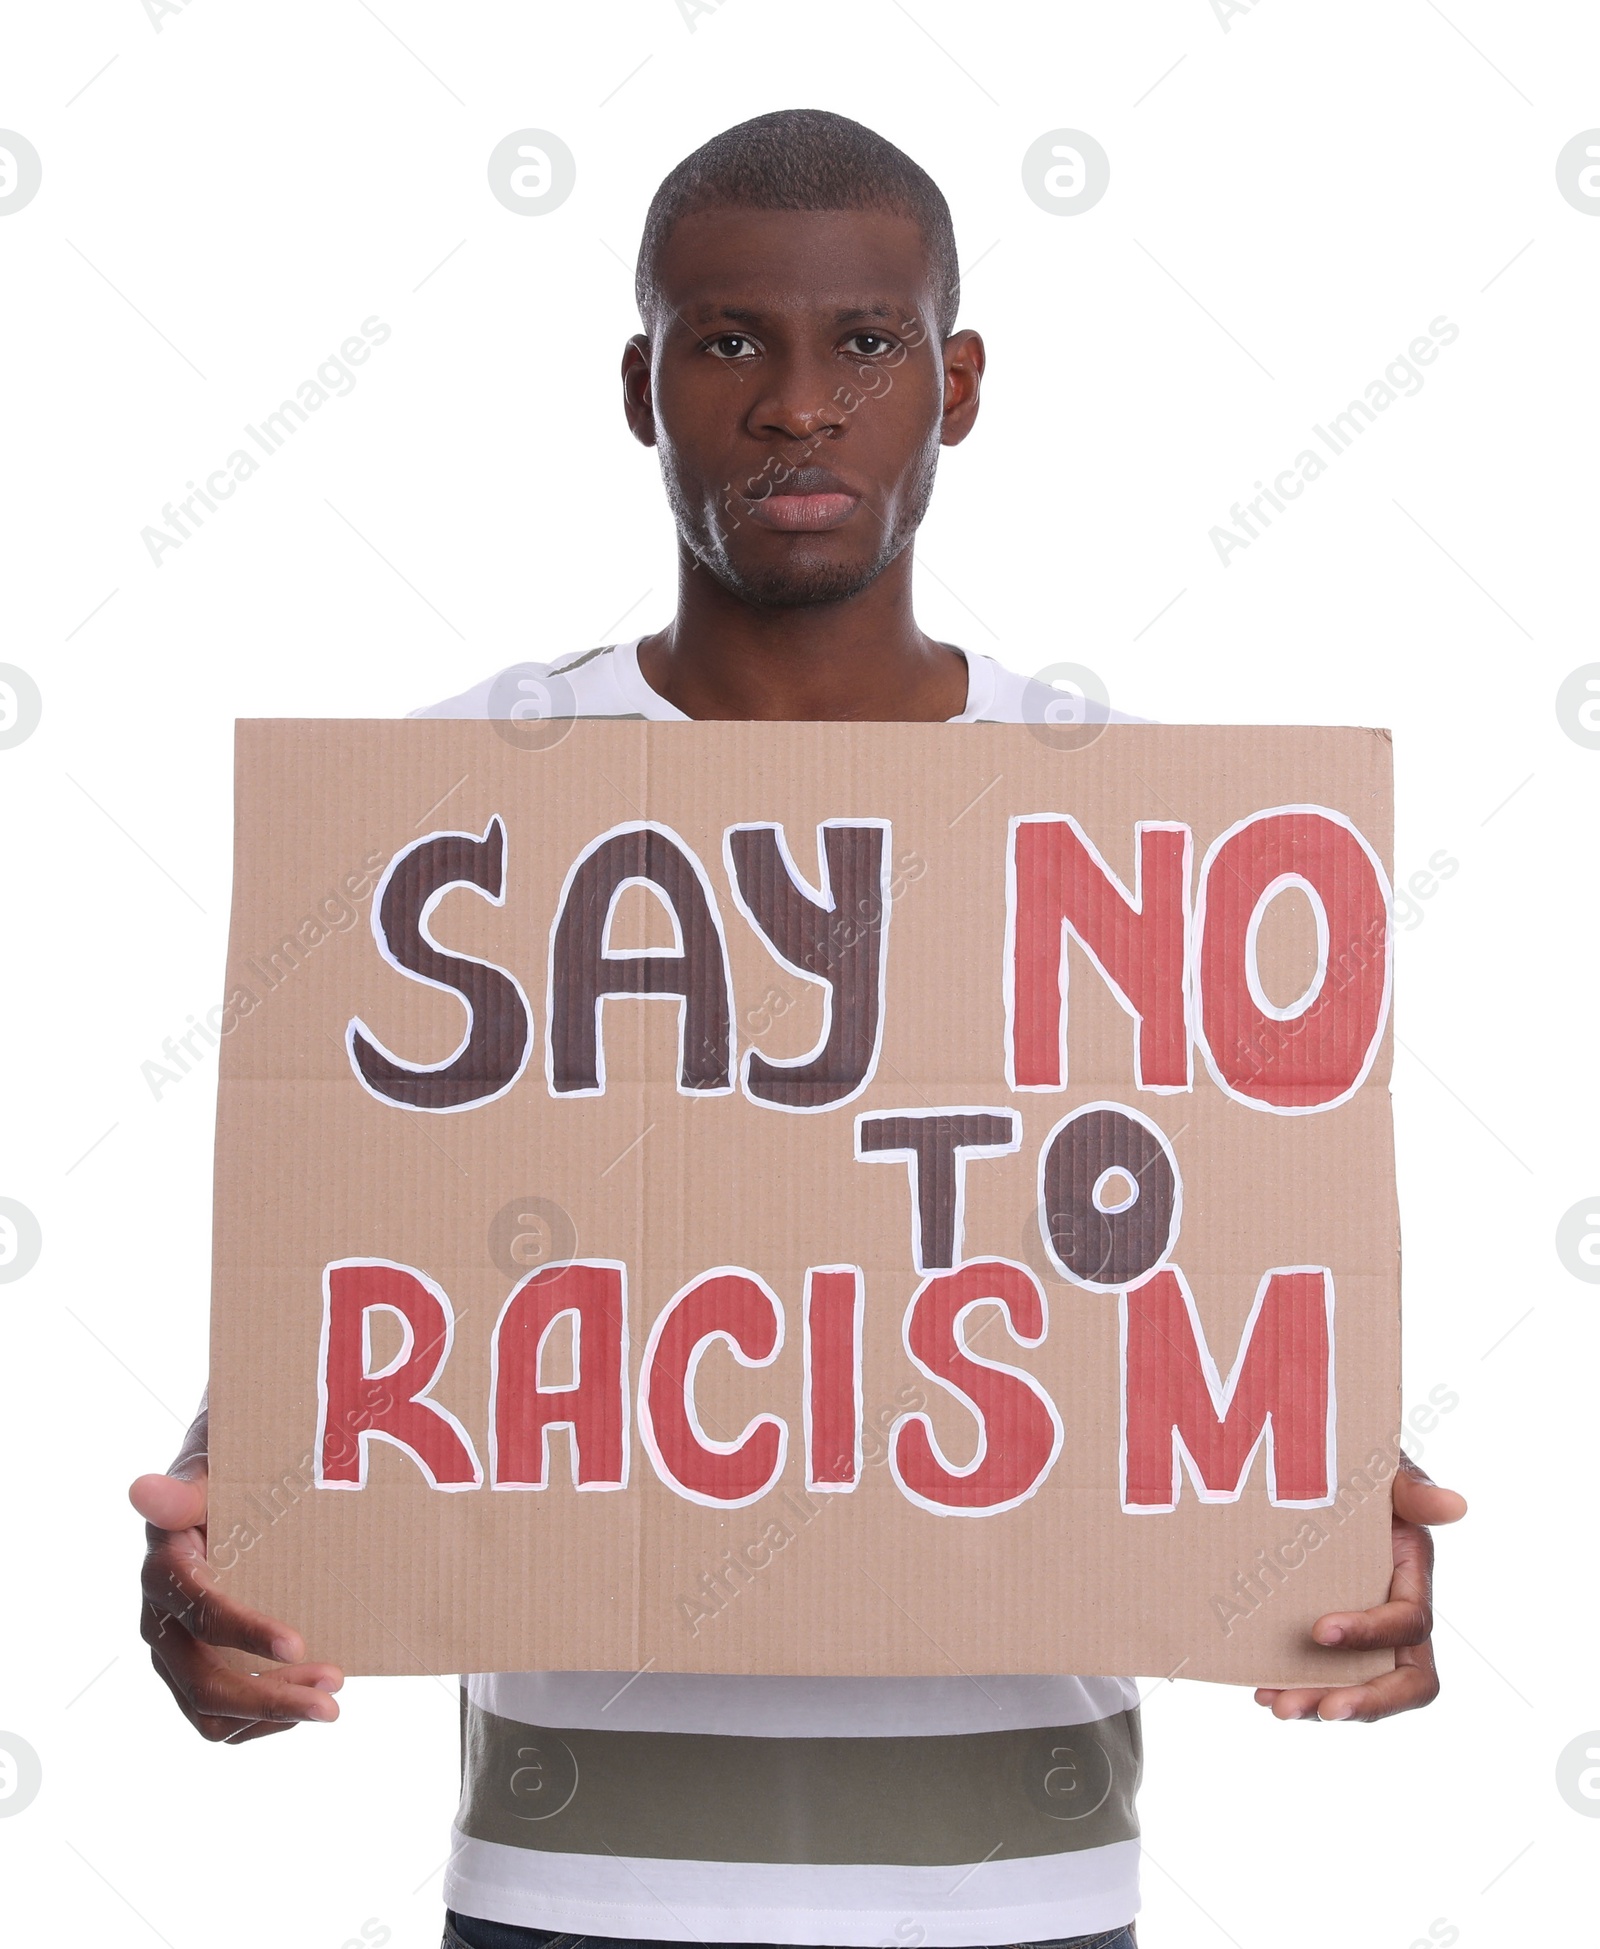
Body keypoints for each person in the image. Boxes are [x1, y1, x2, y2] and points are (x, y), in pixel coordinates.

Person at [131, 109, 1468, 1949]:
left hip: (1024, 1892)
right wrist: (224, 1563)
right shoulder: (456, 797)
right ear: (642, 382)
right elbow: (365, 1273)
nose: (798, 408)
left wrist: (1338, 1543)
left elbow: (1212, 1303)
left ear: (959, 383)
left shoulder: (1134, 826)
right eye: (729, 341)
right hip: (572, 1886)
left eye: (867, 345)